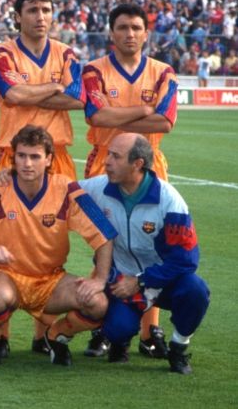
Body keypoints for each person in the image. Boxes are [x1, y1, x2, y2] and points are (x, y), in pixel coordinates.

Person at [0, 0, 85, 352]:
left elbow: (78, 97)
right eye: (32, 10)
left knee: (51, 239)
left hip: (56, 155)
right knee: (7, 238)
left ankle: (42, 333)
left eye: (46, 9)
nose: (40, 16)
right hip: (13, 156)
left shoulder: (66, 52)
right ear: (18, 16)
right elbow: (12, 95)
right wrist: (54, 86)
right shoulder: (2, 53)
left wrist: (36, 89)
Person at [0, 125, 116, 366]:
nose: (27, 163)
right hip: (7, 276)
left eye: (35, 156)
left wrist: (99, 279)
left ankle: (57, 336)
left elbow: (104, 234)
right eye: (22, 156)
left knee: (98, 303)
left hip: (51, 280)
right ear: (13, 157)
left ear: (48, 159)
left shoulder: (66, 189)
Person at [82, 3, 178, 357]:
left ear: (146, 33)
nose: (130, 34)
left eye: (136, 27)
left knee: (152, 250)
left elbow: (166, 122)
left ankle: (150, 330)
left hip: (151, 168)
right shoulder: (94, 70)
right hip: (103, 167)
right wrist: (142, 111)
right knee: (104, 247)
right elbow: (96, 116)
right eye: (122, 27)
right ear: (111, 32)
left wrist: (116, 120)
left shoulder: (163, 72)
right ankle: (105, 327)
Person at [80, 133, 209, 374]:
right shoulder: (98, 187)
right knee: (115, 327)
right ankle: (119, 341)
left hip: (163, 280)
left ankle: (179, 348)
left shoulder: (169, 200)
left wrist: (140, 281)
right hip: (121, 280)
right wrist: (10, 178)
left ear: (137, 164)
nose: (107, 161)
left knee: (196, 291)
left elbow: (187, 260)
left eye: (115, 156)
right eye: (108, 154)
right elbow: (56, 193)